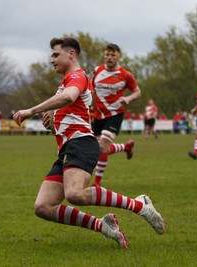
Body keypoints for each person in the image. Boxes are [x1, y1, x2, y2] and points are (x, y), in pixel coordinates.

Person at [13, 37, 164, 249]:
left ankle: (140, 205)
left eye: (56, 55)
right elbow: (66, 108)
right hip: (66, 149)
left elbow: (69, 97)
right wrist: (52, 121)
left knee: (75, 194)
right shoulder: (65, 82)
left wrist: (32, 110)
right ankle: (102, 225)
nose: (51, 60)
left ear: (71, 54)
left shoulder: (77, 76)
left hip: (81, 143)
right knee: (43, 206)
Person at [91, 43, 141, 187]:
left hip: (114, 114)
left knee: (102, 146)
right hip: (98, 115)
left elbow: (138, 91)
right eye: (107, 54)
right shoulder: (97, 71)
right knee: (98, 149)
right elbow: (91, 88)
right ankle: (126, 147)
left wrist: (128, 99)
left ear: (118, 56)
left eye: (113, 55)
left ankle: (97, 183)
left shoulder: (125, 75)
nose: (109, 57)